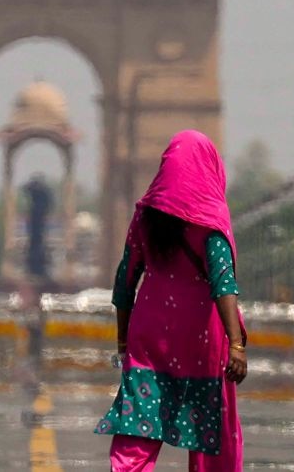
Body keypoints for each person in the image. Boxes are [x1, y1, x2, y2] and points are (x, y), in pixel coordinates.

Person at [95, 130, 248, 471]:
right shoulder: (210, 219)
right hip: (201, 343)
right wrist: (236, 345)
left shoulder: (145, 217)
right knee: (213, 439)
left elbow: (124, 284)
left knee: (136, 436)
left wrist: (123, 340)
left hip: (149, 340)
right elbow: (224, 283)